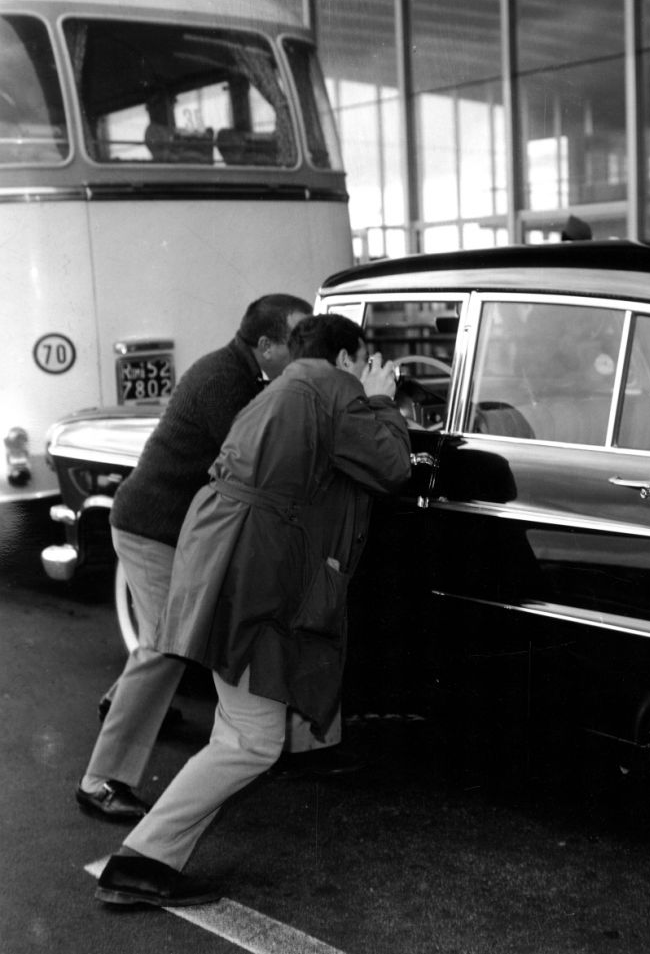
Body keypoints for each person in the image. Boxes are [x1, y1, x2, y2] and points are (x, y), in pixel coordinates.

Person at [94, 313, 411, 906]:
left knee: (241, 728)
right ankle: (137, 864)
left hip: (224, 563)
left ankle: (149, 859)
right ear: (346, 357)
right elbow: (391, 466)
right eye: (361, 360)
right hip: (255, 580)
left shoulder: (285, 387)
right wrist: (381, 402)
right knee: (253, 742)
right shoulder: (334, 389)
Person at [75, 293, 334, 823]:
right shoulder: (226, 383)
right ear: (265, 346)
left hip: (171, 530)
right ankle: (101, 781)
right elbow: (261, 460)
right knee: (168, 645)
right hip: (153, 530)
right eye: (297, 342)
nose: (307, 352)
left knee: (171, 639)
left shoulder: (245, 375)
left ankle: (118, 703)